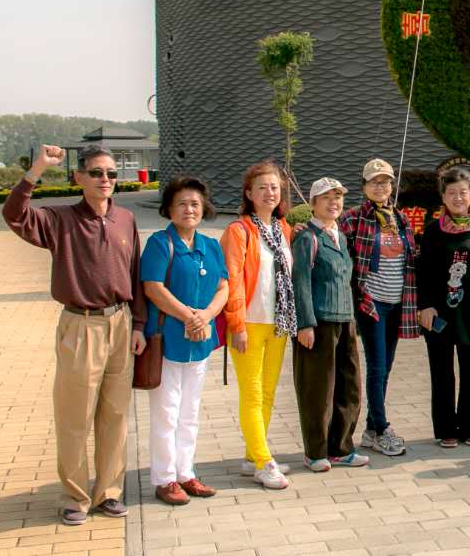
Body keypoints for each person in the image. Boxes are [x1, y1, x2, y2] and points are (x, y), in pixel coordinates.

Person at [2, 144, 147, 525]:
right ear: (79, 177)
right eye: (96, 173)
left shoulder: (125, 219)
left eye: (111, 173)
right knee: (75, 417)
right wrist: (36, 170)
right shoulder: (60, 219)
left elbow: (135, 274)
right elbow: (14, 215)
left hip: (121, 324)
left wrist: (139, 325)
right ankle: (74, 497)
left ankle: (109, 492)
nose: (105, 179)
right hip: (81, 325)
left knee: (115, 416)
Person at [140, 176, 229, 506]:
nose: (189, 209)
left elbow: (223, 287)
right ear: (169, 209)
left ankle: (185, 472)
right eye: (181, 204)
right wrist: (189, 317)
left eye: (195, 203)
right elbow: (153, 288)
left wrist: (206, 316)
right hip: (168, 340)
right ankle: (165, 479)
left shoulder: (211, 245)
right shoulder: (159, 243)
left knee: (190, 411)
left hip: (200, 340)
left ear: (204, 208)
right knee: (166, 412)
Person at [416, 167, 470, 447]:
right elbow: (423, 272)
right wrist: (425, 305)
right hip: (439, 315)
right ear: (443, 196)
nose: (457, 197)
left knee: (469, 372)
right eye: (451, 192)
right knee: (442, 373)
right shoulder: (433, 231)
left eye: (462, 192)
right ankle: (446, 429)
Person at [221, 161, 296, 489]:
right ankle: (264, 462)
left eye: (275, 187)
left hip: (277, 324)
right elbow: (232, 280)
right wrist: (236, 325)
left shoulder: (283, 230)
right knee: (251, 394)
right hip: (248, 323)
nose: (269, 193)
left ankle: (253, 456)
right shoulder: (238, 231)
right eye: (262, 187)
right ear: (249, 193)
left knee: (267, 393)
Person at [340, 158, 419, 457]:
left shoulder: (401, 219)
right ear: (364, 186)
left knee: (386, 367)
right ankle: (382, 428)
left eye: (385, 182)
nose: (380, 187)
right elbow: (330, 239)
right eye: (374, 182)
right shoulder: (353, 219)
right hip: (371, 303)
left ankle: (371, 430)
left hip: (399, 302)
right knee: (376, 366)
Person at [291, 177, 367, 471]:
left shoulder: (341, 237)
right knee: (318, 391)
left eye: (338, 197)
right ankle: (316, 451)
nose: (333, 203)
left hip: (345, 320)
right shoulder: (307, 238)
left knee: (349, 387)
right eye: (326, 198)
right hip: (318, 323)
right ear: (313, 204)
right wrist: (305, 324)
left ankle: (342, 448)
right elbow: (301, 281)